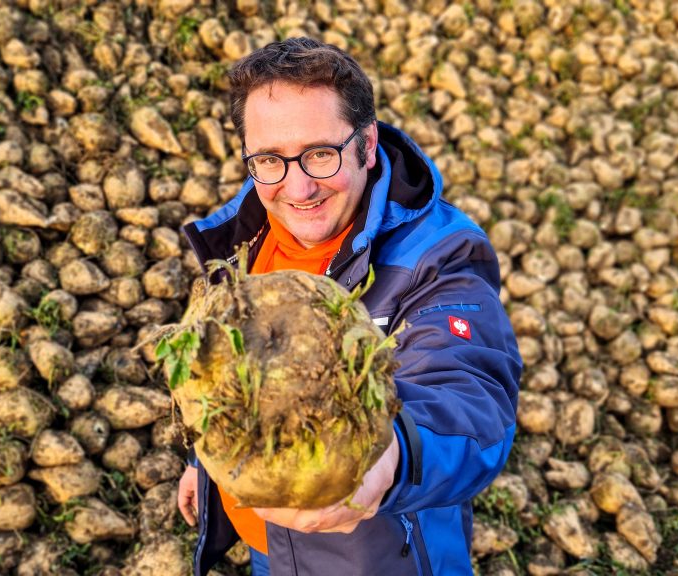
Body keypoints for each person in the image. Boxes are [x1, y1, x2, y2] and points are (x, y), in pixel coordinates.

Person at [177, 37, 522, 576]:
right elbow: (230, 376)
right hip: (270, 549)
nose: (298, 187)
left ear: (366, 144)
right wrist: (206, 464)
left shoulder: (439, 257)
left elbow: (474, 404)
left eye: (320, 153)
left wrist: (390, 458)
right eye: (269, 159)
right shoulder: (240, 247)